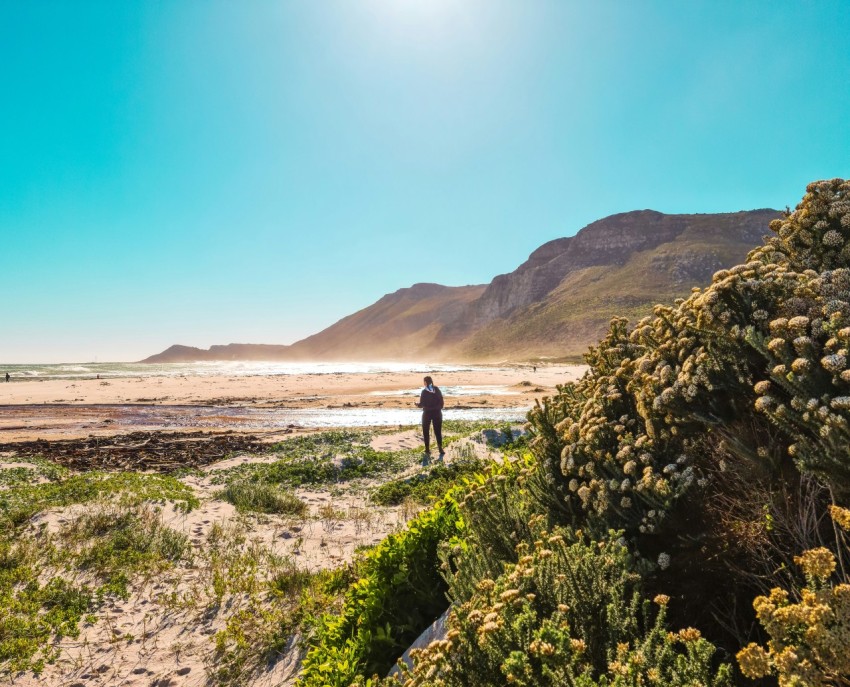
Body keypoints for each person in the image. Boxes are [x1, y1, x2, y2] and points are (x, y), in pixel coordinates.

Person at [415, 375, 444, 456]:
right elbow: (441, 401)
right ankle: (440, 448)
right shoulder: (437, 389)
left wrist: (417, 404)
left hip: (427, 413)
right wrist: (439, 408)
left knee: (426, 431)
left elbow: (422, 404)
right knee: (438, 431)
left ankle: (427, 449)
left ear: (425, 382)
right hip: (437, 413)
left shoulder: (424, 391)